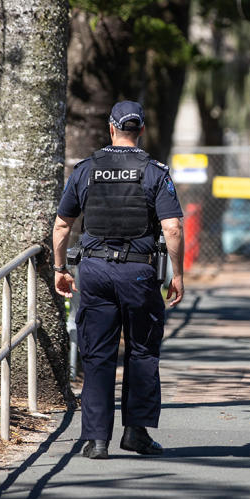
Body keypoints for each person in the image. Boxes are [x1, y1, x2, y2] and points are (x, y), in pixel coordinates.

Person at [52, 100, 185, 460]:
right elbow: (172, 228)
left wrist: (60, 268)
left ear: (111, 129)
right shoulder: (155, 172)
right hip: (138, 273)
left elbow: (63, 225)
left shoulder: (86, 170)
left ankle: (96, 440)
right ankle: (136, 433)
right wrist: (178, 275)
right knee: (141, 352)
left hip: (93, 272)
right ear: (140, 130)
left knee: (97, 355)